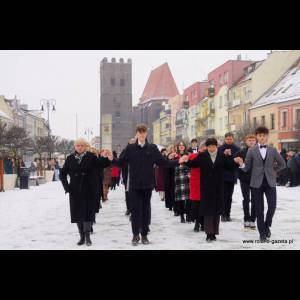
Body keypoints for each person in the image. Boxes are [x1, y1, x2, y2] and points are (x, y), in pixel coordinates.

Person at [116, 124, 179, 246]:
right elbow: (120, 163)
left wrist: (177, 162)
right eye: (139, 132)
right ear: (136, 133)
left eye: (143, 132)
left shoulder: (152, 148)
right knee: (135, 210)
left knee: (145, 210)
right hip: (134, 185)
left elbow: (163, 162)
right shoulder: (130, 148)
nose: (142, 134)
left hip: (147, 185)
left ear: (146, 133)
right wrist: (110, 159)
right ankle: (135, 235)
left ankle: (144, 234)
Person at [179, 138, 237, 242]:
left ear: (216, 146)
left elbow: (229, 166)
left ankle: (214, 233)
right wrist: (185, 161)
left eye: (213, 146)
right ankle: (208, 233)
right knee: (208, 211)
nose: (211, 148)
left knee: (216, 211)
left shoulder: (221, 155)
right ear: (207, 147)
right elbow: (193, 164)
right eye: (209, 146)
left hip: (218, 188)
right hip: (206, 187)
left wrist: (236, 162)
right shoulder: (202, 155)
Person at [235, 126, 286, 242]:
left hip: (270, 182)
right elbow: (247, 168)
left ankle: (266, 225)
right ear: (257, 137)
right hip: (256, 183)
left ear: (267, 137)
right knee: (259, 209)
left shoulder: (273, 150)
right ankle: (262, 234)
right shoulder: (251, 150)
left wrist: (273, 170)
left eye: (264, 136)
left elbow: (283, 164)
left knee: (272, 206)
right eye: (260, 136)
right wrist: (241, 164)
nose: (262, 138)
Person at [59, 138, 113, 246]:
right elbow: (62, 174)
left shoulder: (91, 156)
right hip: (75, 190)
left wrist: (107, 159)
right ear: (75, 147)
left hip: (89, 189)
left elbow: (101, 164)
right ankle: (81, 236)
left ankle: (88, 236)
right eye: (78, 145)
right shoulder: (69, 158)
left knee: (88, 213)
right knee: (77, 214)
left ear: (85, 147)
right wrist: (67, 187)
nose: (80, 147)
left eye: (82, 145)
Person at [218, 132, 240, 222]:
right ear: (225, 139)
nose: (229, 140)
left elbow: (237, 162)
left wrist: (231, 156)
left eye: (230, 139)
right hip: (222, 176)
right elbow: (218, 161)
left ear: (233, 139)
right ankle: (223, 214)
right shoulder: (220, 149)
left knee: (229, 197)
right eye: (227, 139)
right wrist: (224, 154)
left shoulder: (237, 149)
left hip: (231, 175)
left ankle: (228, 214)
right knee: (223, 196)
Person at [236, 134, 257, 229]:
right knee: (246, 199)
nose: (251, 141)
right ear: (246, 141)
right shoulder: (241, 152)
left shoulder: (259, 151)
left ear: (255, 141)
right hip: (244, 179)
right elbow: (237, 165)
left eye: (253, 140)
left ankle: (253, 219)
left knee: (255, 200)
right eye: (249, 140)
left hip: (256, 179)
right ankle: (246, 218)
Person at [189, 142, 206, 232]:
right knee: (196, 205)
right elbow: (189, 163)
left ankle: (203, 223)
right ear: (200, 148)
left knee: (204, 204)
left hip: (205, 183)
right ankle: (197, 222)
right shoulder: (193, 156)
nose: (204, 150)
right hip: (195, 183)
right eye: (203, 148)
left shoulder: (209, 157)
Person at [174, 141, 191, 223]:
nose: (181, 147)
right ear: (177, 147)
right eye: (180, 145)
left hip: (187, 178)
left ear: (185, 146)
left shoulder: (188, 154)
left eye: (182, 145)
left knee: (188, 198)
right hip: (178, 178)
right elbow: (172, 166)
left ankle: (188, 215)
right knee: (180, 199)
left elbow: (190, 165)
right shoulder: (175, 155)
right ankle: (181, 216)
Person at [120, 138, 136, 217]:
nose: (133, 143)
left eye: (134, 142)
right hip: (127, 175)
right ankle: (129, 208)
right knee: (127, 193)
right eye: (131, 142)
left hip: (137, 176)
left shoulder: (138, 151)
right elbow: (120, 161)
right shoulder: (125, 151)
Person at [163, 145, 177, 213]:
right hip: (167, 174)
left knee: (173, 190)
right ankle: (170, 205)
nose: (172, 150)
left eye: (173, 148)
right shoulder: (166, 155)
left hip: (174, 173)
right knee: (169, 190)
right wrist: (169, 158)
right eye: (171, 148)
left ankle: (174, 205)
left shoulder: (176, 155)